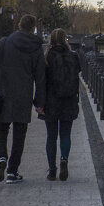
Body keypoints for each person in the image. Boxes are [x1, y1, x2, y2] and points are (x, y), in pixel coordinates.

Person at [0, 14, 46, 184]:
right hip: (23, 96)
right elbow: (40, 77)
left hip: (4, 93)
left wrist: (1, 79)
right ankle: (12, 171)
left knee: (1, 129)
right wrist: (39, 103)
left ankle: (1, 158)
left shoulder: (4, 43)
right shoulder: (36, 47)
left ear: (19, 24)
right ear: (33, 27)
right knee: (20, 135)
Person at [40, 28, 81, 181]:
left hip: (51, 101)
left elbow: (42, 81)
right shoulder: (73, 56)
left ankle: (52, 169)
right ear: (65, 40)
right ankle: (64, 160)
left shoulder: (47, 57)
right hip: (69, 100)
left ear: (51, 40)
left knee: (51, 136)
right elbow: (78, 74)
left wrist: (39, 102)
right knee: (65, 134)